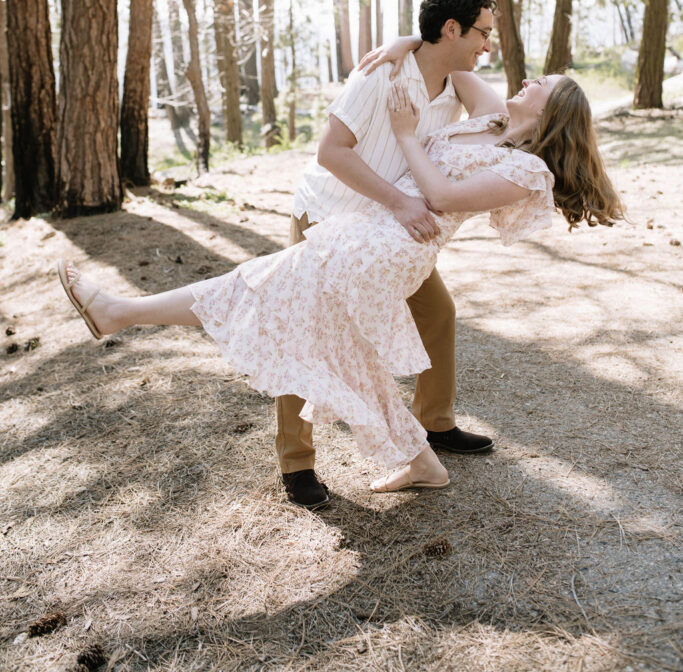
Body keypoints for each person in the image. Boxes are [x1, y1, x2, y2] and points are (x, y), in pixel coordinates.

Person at [57, 70, 623, 497]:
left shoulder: (527, 170)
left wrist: (405, 135)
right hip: (363, 230)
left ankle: (120, 311)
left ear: (556, 109)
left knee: (268, 293)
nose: (529, 78)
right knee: (312, 329)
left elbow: (445, 199)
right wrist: (402, 45)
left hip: (391, 252)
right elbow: (455, 66)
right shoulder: (491, 117)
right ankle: (420, 461)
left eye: (542, 82)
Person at [279, 0, 496, 509]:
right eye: (483, 33)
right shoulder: (381, 74)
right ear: (452, 28)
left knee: (437, 312)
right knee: (309, 333)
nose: (488, 45)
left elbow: (502, 117)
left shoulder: (457, 83)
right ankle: (296, 463)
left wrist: (411, 39)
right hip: (327, 216)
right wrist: (401, 204)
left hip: (382, 229)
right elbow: (332, 151)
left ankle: (436, 424)